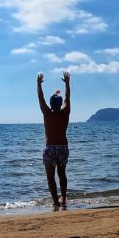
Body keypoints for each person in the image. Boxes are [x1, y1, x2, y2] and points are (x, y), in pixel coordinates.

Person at [37, 71, 71, 209]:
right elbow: (67, 98)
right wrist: (67, 84)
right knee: (62, 174)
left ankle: (55, 201)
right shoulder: (65, 113)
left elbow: (40, 98)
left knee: (50, 177)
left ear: (51, 104)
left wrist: (38, 84)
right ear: (60, 103)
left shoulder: (47, 113)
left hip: (50, 148)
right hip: (62, 147)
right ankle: (63, 198)